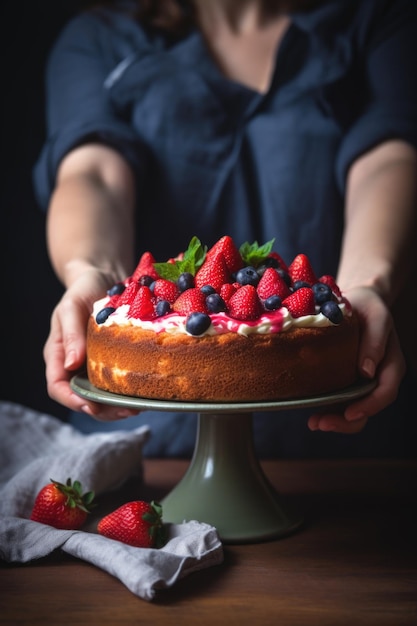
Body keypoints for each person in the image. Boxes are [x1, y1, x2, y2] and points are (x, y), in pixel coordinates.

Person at [33, 0, 417, 458]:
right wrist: (90, 272)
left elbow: (390, 156)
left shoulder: (379, 20)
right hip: (142, 459)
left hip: (340, 462)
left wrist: (367, 286)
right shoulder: (99, 37)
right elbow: (93, 173)